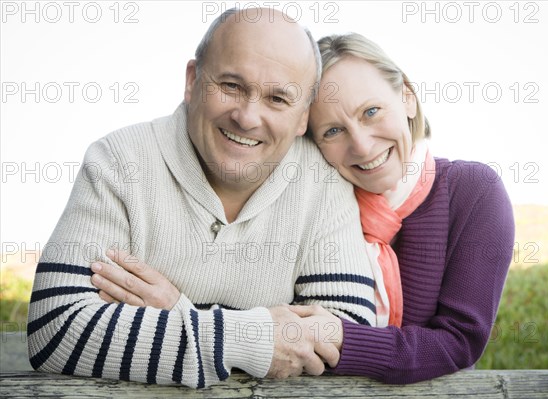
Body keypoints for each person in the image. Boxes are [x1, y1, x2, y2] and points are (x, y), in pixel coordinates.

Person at [26, 10, 377, 389]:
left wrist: (177, 312)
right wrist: (251, 339)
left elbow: (348, 332)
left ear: (303, 116)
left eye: (278, 98)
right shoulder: (118, 161)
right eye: (230, 86)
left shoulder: (321, 181)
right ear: (192, 80)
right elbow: (55, 329)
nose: (247, 117)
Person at [292, 32, 515, 384]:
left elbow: (458, 342)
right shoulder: (312, 206)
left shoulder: (473, 192)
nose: (363, 147)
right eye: (333, 131)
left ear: (407, 97)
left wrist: (340, 338)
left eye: (370, 111)